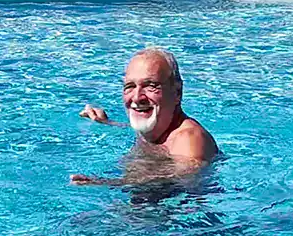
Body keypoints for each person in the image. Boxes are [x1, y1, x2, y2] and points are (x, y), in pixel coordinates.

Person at [71, 47, 219, 186]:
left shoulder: (189, 139)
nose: (136, 97)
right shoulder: (159, 127)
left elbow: (178, 181)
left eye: (151, 86)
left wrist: (105, 183)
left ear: (177, 93)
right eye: (130, 86)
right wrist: (107, 122)